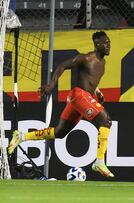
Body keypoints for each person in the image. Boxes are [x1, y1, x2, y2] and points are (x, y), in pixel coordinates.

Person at [8, 31, 114, 178]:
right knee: (106, 121)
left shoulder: (103, 63)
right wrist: (52, 84)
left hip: (80, 98)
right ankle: (99, 161)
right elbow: (62, 65)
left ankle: (21, 136)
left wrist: (97, 92)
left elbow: (90, 79)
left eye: (109, 42)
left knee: (59, 133)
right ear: (97, 45)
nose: (109, 45)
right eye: (105, 43)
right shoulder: (87, 58)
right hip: (79, 95)